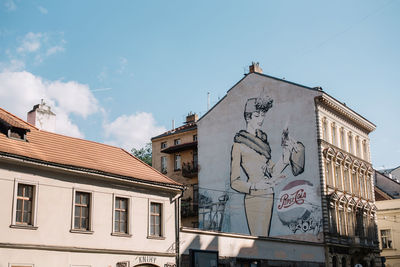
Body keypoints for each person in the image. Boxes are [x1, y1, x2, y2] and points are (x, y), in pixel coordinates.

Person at [230, 94, 304, 236]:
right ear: (248, 117)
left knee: (265, 237)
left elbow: (272, 170)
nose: (261, 120)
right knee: (258, 238)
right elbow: (234, 182)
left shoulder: (263, 142)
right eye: (257, 116)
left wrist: (286, 156)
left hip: (269, 194)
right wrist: (255, 186)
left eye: (263, 116)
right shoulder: (238, 145)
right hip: (254, 196)